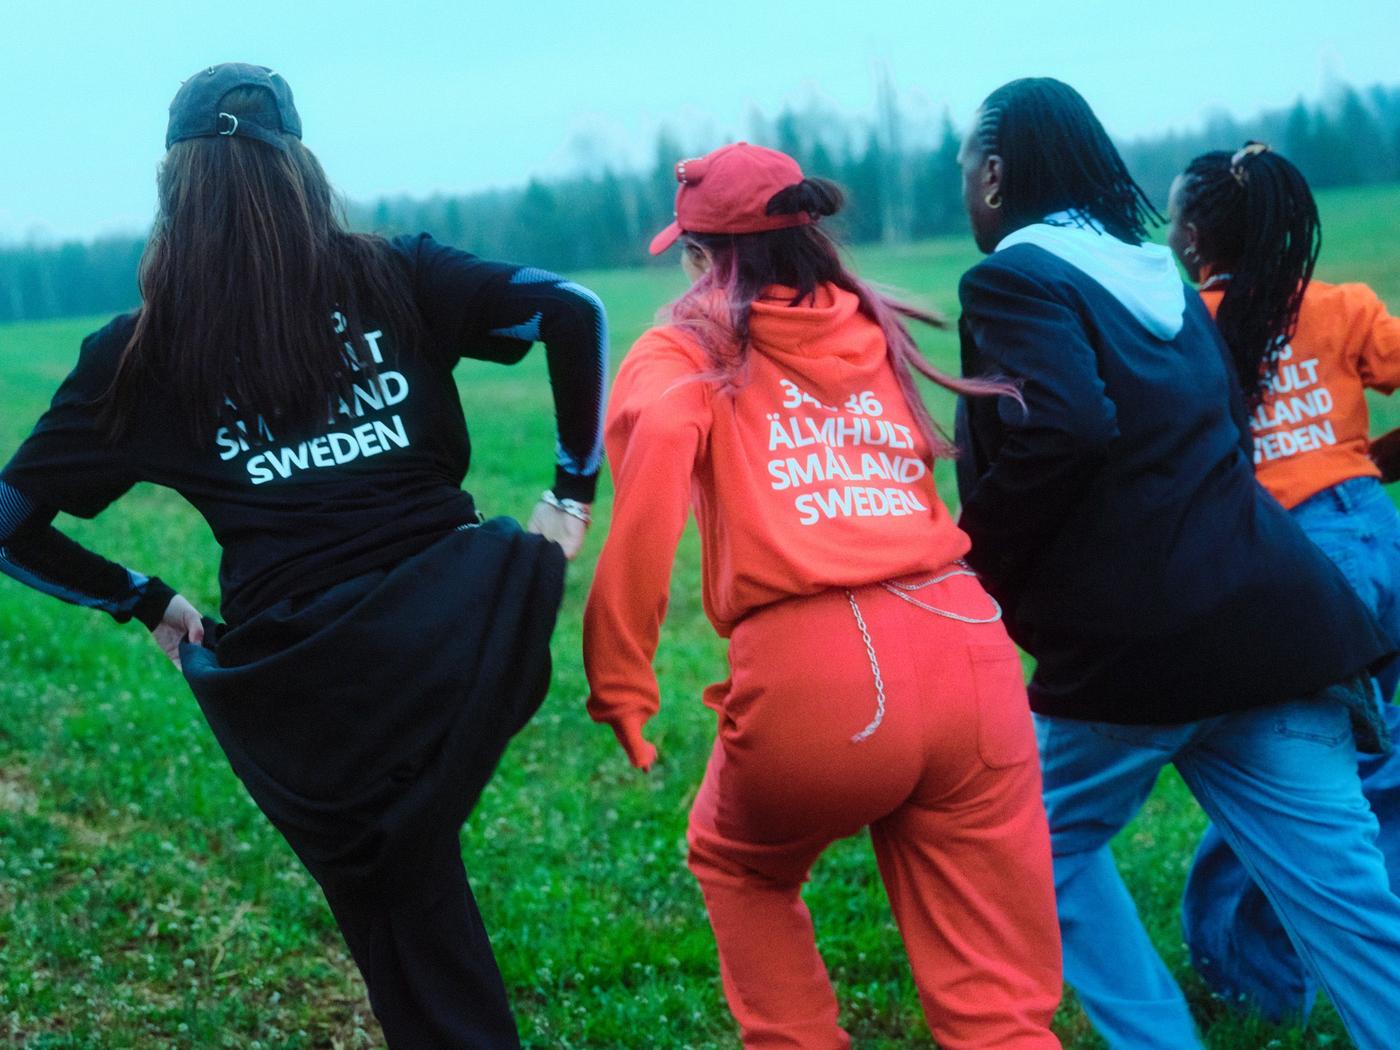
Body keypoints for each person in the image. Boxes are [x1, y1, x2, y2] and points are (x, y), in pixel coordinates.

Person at [0, 63, 608, 1048]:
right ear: (298, 170)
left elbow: (7, 522)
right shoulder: (393, 272)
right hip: (471, 639)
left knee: (392, 903)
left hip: (313, 696)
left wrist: (145, 599)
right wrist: (566, 499)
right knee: (409, 892)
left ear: (174, 191)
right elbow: (570, 310)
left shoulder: (139, 354)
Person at [582, 141, 1063, 1050]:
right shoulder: (870, 322)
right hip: (968, 644)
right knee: (1000, 1005)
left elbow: (646, 507)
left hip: (824, 675)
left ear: (701, 256)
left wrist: (622, 680)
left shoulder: (682, 346)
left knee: (739, 863)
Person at [953, 76, 1400, 1050]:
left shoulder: (1015, 278)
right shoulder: (1155, 272)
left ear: (992, 172)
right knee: (1355, 918)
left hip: (1137, 658)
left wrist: (965, 552)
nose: (963, 186)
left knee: (1025, 847)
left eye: (963, 167)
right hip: (1279, 630)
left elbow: (1066, 425)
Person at [1168, 141, 1400, 1023]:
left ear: (1195, 238)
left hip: (1288, 569)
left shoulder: (1187, 330)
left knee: (1275, 768)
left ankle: (1253, 973)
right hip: (1377, 545)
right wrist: (1369, 463)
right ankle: (1363, 930)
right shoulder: (1340, 306)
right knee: (1377, 761)